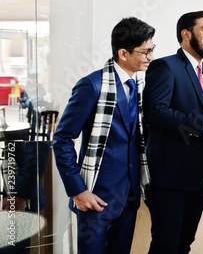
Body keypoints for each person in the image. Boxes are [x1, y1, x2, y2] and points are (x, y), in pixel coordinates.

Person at [53, 17, 155, 253]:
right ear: (123, 53)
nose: (151, 56)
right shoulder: (92, 85)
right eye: (146, 51)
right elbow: (62, 139)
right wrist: (78, 191)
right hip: (95, 198)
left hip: (129, 198)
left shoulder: (140, 86)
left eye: (152, 49)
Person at [143, 11, 203, 253]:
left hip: (196, 176)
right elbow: (155, 113)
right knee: (165, 244)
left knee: (183, 244)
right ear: (185, 34)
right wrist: (202, 123)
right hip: (169, 178)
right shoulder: (165, 66)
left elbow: (200, 112)